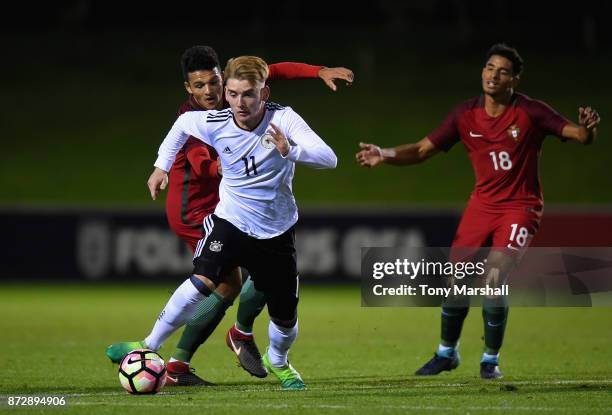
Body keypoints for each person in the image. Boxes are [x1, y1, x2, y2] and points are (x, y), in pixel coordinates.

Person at [106, 46, 352, 386]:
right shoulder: (209, 119)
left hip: (276, 228)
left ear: (261, 92)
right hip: (227, 218)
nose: (236, 101)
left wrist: (290, 149)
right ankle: (151, 346)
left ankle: (275, 357)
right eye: (232, 94)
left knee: (284, 314)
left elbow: (329, 158)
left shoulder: (283, 119)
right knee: (206, 279)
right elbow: (181, 129)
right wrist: (161, 167)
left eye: (243, 93)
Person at [356, 43, 600, 379]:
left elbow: (578, 135)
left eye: (502, 71)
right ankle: (447, 353)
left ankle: (490, 359)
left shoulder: (531, 112)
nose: (493, 75)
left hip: (520, 208)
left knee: (493, 278)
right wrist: (384, 154)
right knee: (455, 281)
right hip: (481, 207)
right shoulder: (465, 115)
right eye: (489, 67)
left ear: (514, 78)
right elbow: (423, 149)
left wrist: (587, 128)